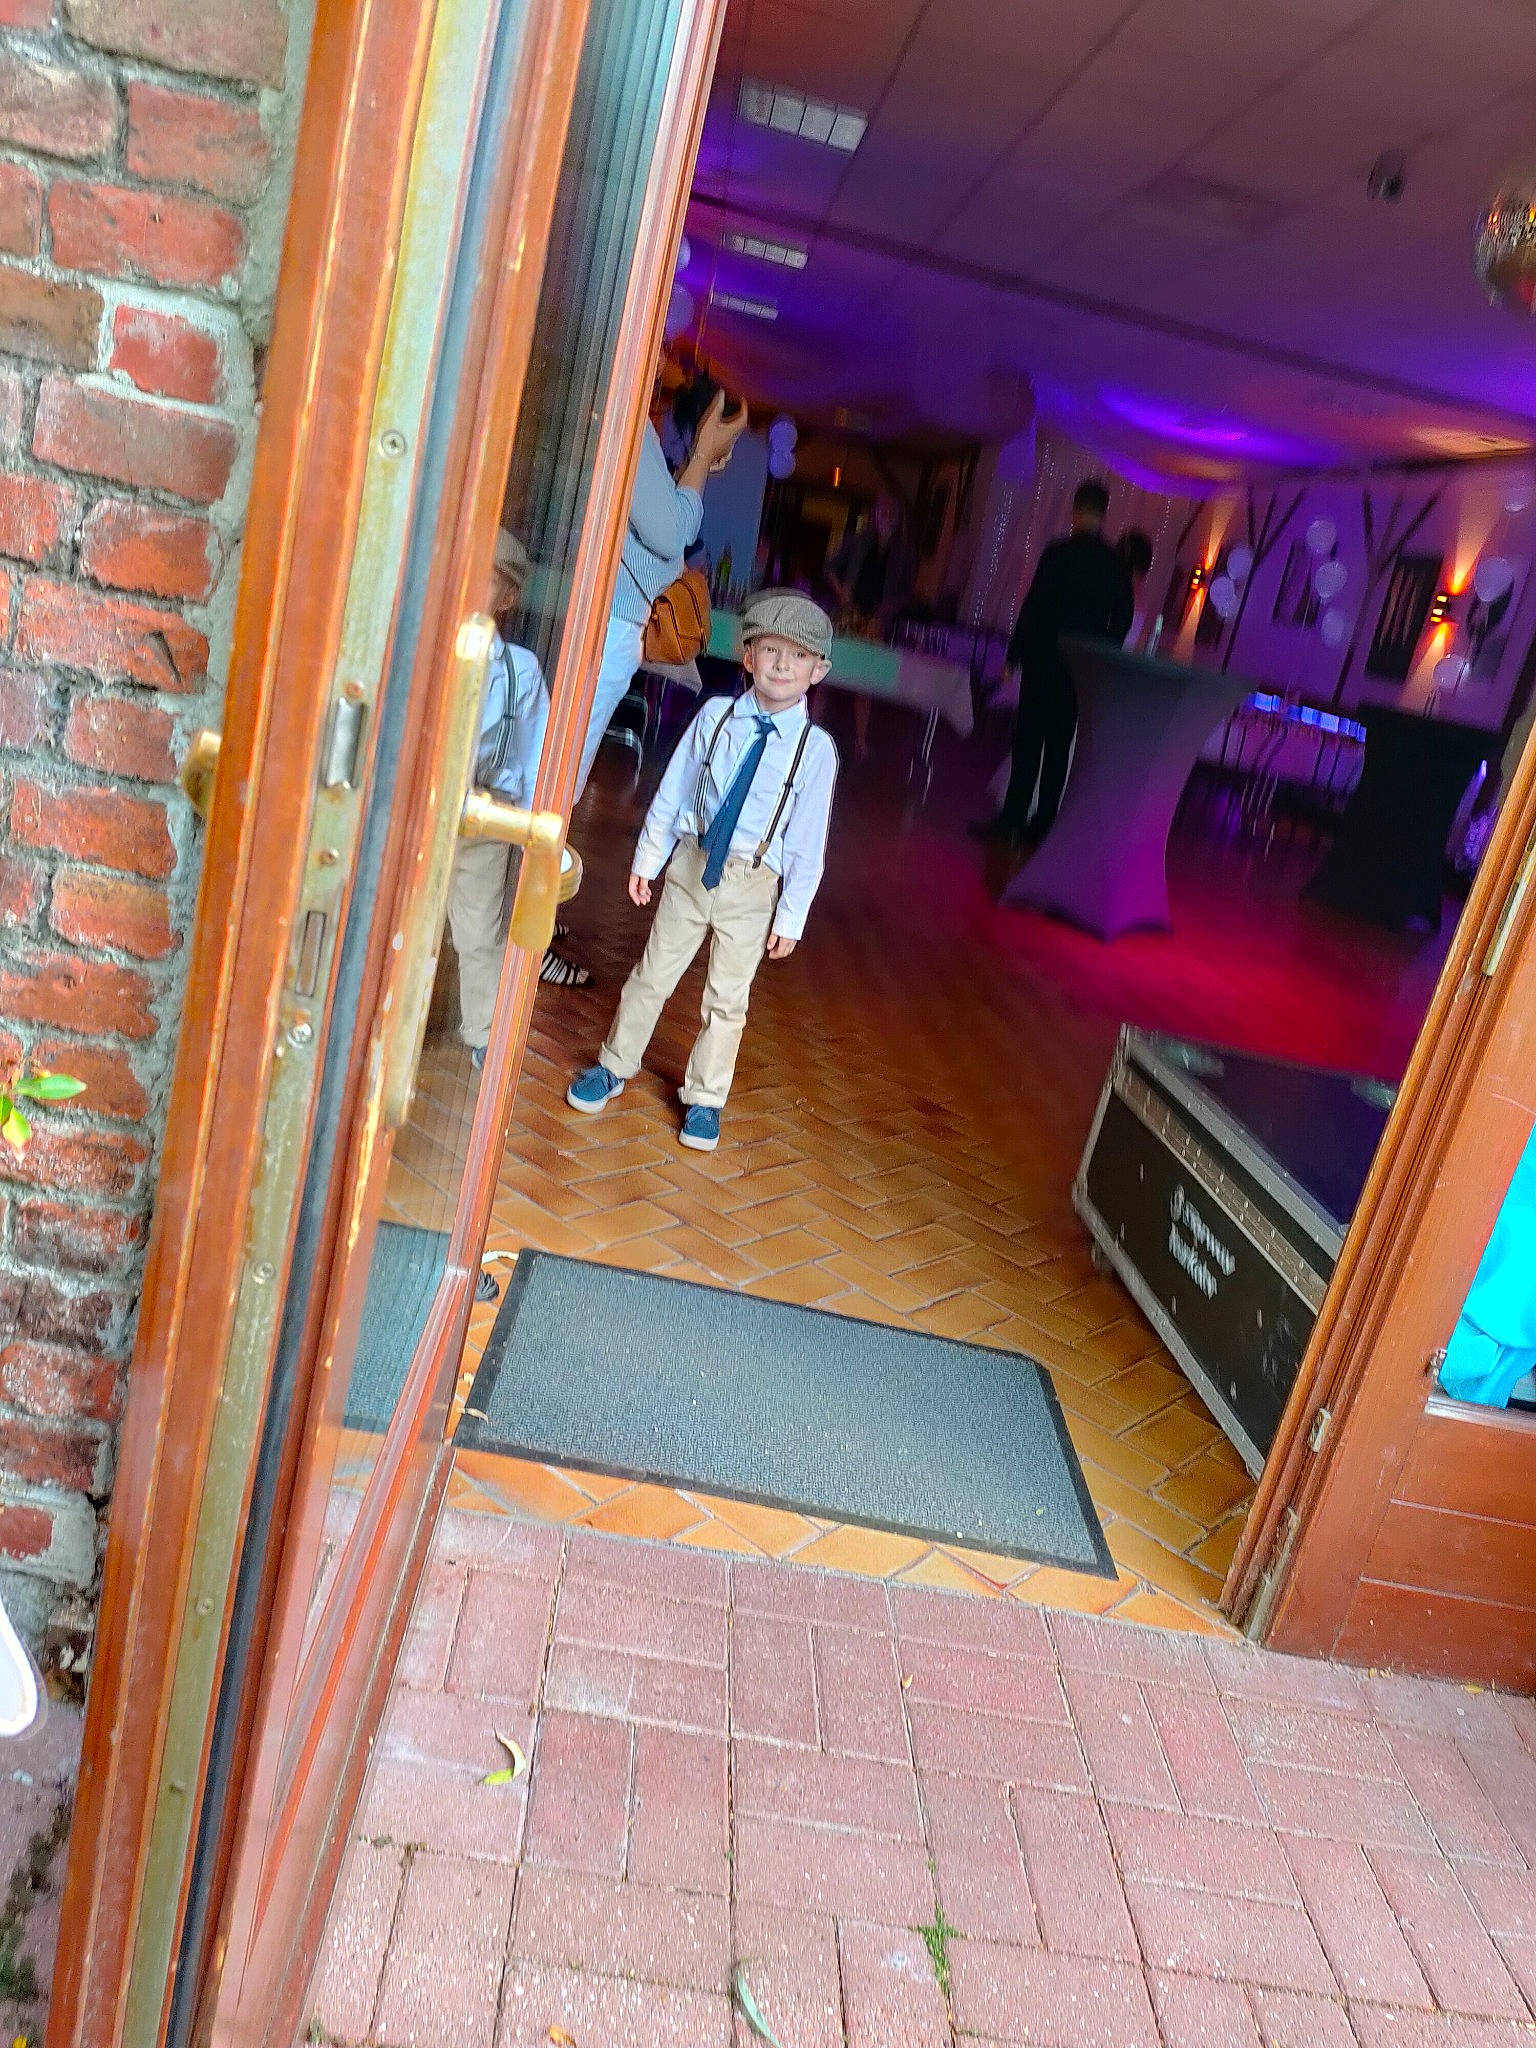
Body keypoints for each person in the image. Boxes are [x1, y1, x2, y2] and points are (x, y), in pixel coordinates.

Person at [565, 590, 838, 1153]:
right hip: (692, 866)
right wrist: (650, 857)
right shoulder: (717, 717)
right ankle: (614, 1065)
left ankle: (706, 1098)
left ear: (818, 670)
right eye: (769, 650)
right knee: (652, 974)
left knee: (727, 1001)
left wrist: (792, 914)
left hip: (752, 883)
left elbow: (809, 842)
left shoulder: (816, 751)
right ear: (747, 656)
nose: (782, 665)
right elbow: (674, 791)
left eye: (798, 656)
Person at [575, 374, 748, 803]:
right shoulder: (631, 428)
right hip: (611, 624)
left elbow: (668, 542)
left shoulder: (621, 422)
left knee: (561, 765)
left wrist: (699, 462)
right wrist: (702, 457)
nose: (663, 357)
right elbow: (671, 537)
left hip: (604, 618)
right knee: (560, 776)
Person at [972, 479, 1134, 849]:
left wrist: (1014, 657)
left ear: (1076, 511)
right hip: (1080, 671)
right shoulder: (1114, 565)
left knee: (1028, 743)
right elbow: (1121, 621)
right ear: (1104, 514)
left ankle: (1012, 819)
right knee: (1059, 751)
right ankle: (1043, 826)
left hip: (1043, 662)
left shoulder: (1058, 553)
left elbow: (1033, 607)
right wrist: (1098, 654)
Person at [826, 493, 916, 760]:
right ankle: (810, 726)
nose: (885, 514)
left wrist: (890, 607)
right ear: (875, 513)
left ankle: (861, 742)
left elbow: (906, 593)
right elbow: (830, 568)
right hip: (847, 614)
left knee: (865, 683)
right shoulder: (857, 540)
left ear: (898, 517)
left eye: (890, 510)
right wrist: (841, 590)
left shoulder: (904, 552)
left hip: (875, 621)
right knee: (829, 672)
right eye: (881, 509)